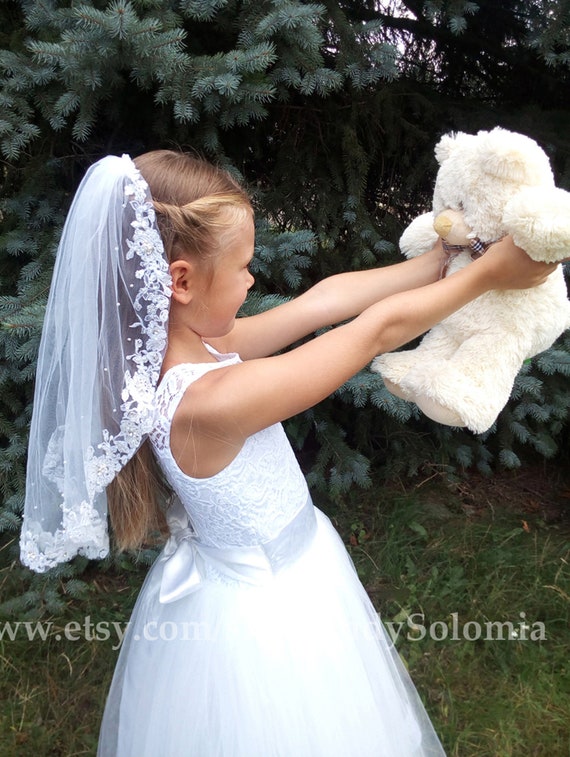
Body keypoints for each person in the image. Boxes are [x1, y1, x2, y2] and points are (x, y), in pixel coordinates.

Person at [20, 150, 558, 756]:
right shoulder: (208, 402)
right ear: (180, 280)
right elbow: (373, 333)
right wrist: (485, 278)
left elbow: (318, 304)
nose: (253, 281)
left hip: (290, 567)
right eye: (244, 267)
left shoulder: (196, 349)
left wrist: (442, 263)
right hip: (266, 616)